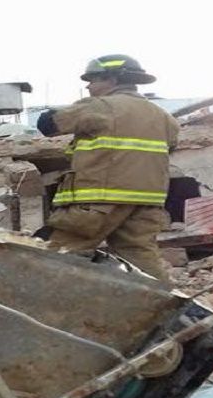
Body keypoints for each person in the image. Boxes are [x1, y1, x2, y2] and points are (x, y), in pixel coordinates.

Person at [36, 54, 179, 283]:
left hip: (98, 201)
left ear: (112, 79)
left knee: (51, 252)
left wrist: (53, 111)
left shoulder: (101, 106)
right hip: (147, 202)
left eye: (93, 80)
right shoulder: (165, 117)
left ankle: (40, 307)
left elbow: (48, 125)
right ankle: (165, 309)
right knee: (140, 258)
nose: (88, 86)